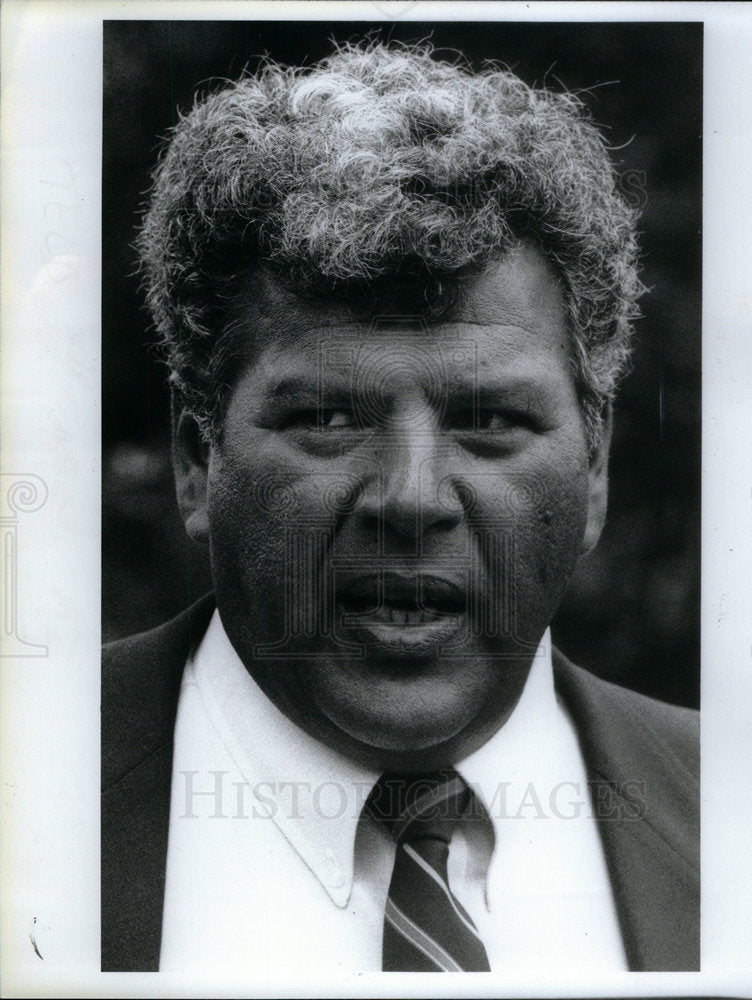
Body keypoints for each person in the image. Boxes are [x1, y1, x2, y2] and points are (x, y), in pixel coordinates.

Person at [102, 40, 699, 975]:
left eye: (490, 420)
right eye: (329, 417)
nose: (411, 499)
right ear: (195, 460)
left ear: (594, 472)